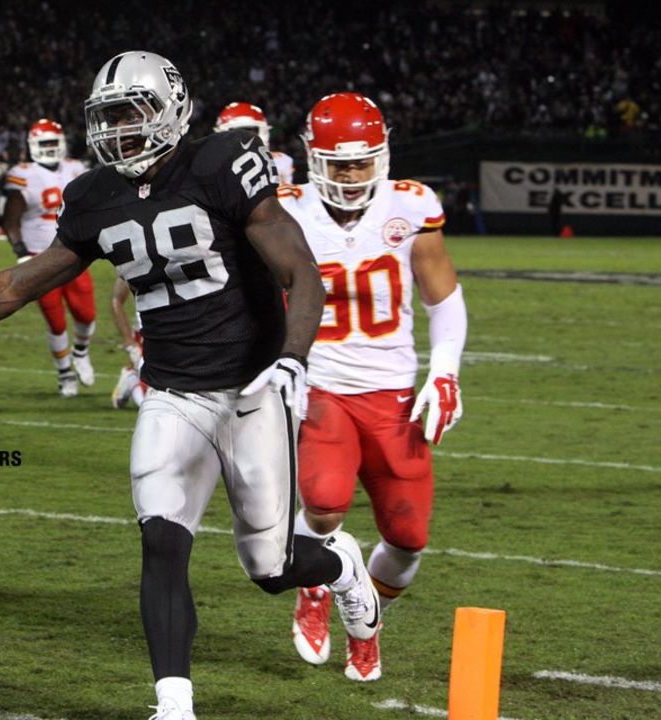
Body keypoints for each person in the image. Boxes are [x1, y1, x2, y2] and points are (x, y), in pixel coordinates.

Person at [0, 52, 381, 720]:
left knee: (270, 569)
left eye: (135, 113)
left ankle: (342, 568)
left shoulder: (223, 163)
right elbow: (15, 284)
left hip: (252, 388)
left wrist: (294, 359)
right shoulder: (96, 196)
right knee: (161, 538)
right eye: (110, 117)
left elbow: (301, 269)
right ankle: (174, 706)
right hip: (173, 393)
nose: (122, 130)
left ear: (174, 109)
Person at [276, 92, 466, 682]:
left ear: (382, 156)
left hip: (392, 393)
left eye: (361, 162)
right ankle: (313, 590)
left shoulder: (411, 206)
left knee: (408, 538)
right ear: (313, 158)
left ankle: (366, 613)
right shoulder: (285, 210)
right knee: (325, 505)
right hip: (323, 385)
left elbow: (445, 298)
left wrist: (444, 372)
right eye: (338, 162)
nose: (351, 174)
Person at [2, 118, 96, 396]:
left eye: (53, 142)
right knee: (55, 321)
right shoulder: (23, 173)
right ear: (32, 146)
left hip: (74, 252)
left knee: (86, 313)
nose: (50, 148)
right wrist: (19, 253)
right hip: (38, 257)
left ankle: (81, 351)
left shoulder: (76, 168)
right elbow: (11, 219)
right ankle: (65, 373)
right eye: (44, 143)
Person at [213, 101, 294, 186]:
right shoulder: (213, 167)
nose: (244, 138)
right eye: (237, 133)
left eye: (250, 132)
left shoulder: (280, 161)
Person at [109, 275, 147, 409]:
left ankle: (131, 375)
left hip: (175, 330)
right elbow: (116, 300)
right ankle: (131, 378)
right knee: (149, 402)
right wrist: (128, 340)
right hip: (148, 333)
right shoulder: (134, 265)